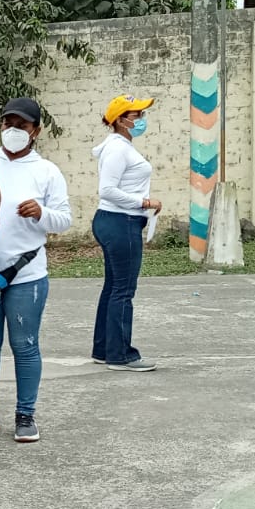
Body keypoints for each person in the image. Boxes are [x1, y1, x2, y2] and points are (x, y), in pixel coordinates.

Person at [0, 97, 72, 443]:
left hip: (26, 275)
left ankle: (26, 414)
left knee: (24, 344)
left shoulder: (47, 171)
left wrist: (41, 212)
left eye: (21, 126)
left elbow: (64, 220)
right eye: (8, 124)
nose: (13, 130)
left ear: (35, 131)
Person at [92, 94, 160, 372]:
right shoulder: (118, 149)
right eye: (136, 115)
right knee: (123, 290)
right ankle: (120, 355)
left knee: (113, 287)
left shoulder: (120, 146)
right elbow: (107, 190)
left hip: (116, 221)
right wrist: (144, 202)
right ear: (120, 121)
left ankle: (104, 349)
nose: (142, 119)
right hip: (120, 222)